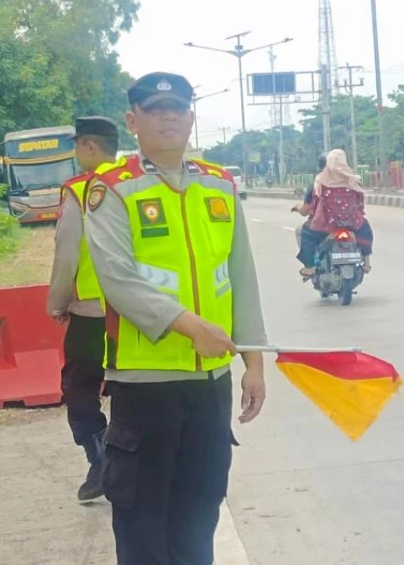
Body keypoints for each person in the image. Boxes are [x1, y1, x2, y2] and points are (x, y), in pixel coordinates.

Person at [83, 72, 268, 564]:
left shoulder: (219, 185)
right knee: (143, 519)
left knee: (199, 511)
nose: (168, 116)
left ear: (191, 117)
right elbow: (119, 280)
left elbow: (241, 277)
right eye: (155, 108)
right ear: (133, 120)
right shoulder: (110, 191)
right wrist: (190, 326)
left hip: (211, 383)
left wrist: (254, 362)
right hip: (145, 385)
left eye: (178, 107)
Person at [47, 115, 120, 502]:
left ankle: (100, 458)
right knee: (128, 385)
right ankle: (130, 462)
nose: (76, 153)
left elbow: (67, 250)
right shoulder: (140, 183)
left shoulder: (80, 190)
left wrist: (58, 303)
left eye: (78, 145)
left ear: (90, 146)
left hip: (91, 312)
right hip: (139, 312)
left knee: (79, 387)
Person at [298, 148, 374, 277]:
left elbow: (314, 204)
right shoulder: (353, 180)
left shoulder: (319, 182)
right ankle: (367, 263)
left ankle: (309, 268)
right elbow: (360, 203)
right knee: (366, 231)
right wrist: (358, 215)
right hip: (351, 223)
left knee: (306, 234)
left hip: (326, 225)